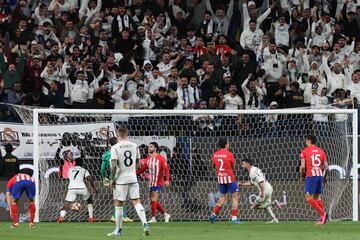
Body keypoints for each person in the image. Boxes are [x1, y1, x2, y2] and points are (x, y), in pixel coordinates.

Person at [107, 126, 149, 237]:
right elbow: (138, 163)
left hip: (121, 180)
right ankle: (145, 223)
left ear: (118, 134)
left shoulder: (115, 147)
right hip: (133, 178)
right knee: (137, 201)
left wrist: (112, 179)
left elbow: (114, 165)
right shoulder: (134, 146)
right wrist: (131, 171)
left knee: (118, 203)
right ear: (127, 133)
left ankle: (118, 230)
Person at [239, 159, 283, 223]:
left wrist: (262, 193)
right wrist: (241, 184)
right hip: (269, 187)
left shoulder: (252, 173)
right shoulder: (255, 169)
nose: (242, 166)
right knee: (266, 206)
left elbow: (261, 182)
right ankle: (274, 219)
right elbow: (252, 182)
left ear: (248, 164)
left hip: (264, 190)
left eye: (243, 164)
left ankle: (274, 203)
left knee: (253, 207)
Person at [136, 142, 171, 223]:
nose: (149, 148)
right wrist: (135, 173)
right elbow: (143, 168)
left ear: (155, 148)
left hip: (158, 181)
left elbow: (166, 169)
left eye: (151, 147)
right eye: (149, 147)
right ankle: (165, 214)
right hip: (151, 182)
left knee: (153, 198)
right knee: (153, 200)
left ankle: (153, 218)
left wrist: (167, 180)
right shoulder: (148, 159)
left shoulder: (160, 158)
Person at [101, 136, 133, 223]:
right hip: (121, 176)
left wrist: (104, 178)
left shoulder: (106, 154)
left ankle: (122, 216)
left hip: (112, 178)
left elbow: (102, 169)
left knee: (118, 196)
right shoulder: (120, 152)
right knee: (120, 197)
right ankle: (115, 216)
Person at [57, 158, 98, 223]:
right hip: (82, 188)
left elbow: (65, 175)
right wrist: (94, 188)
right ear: (82, 163)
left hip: (72, 189)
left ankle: (61, 217)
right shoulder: (84, 170)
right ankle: (91, 218)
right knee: (89, 200)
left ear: (75, 163)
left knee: (66, 205)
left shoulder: (70, 169)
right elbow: (90, 178)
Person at [209, 138, 240, 224]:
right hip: (230, 178)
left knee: (222, 197)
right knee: (235, 197)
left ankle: (213, 214)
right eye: (228, 143)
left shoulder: (215, 154)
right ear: (226, 144)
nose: (229, 144)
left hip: (221, 178)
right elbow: (233, 166)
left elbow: (214, 166)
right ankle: (234, 219)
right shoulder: (229, 154)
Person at [300, 135, 329, 225]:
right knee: (317, 197)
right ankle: (322, 219)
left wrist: (302, 176)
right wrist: (325, 177)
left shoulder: (305, 151)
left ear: (309, 141)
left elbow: (303, 167)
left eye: (306, 141)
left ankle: (323, 214)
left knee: (308, 198)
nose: (305, 142)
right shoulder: (321, 151)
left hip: (311, 175)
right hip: (319, 175)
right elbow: (327, 167)